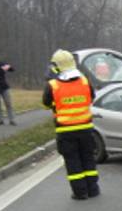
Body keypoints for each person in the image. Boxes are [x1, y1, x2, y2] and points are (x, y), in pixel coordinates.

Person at [43, 49, 100, 200]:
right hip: (86, 128)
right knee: (88, 158)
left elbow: (46, 104)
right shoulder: (85, 81)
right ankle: (93, 189)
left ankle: (80, 192)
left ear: (56, 66)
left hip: (66, 131)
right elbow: (91, 98)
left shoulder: (53, 85)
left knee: (73, 161)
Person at [0, 53, 16, 126]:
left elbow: (12, 69)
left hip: (4, 88)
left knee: (8, 104)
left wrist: (9, 67)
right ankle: (0, 120)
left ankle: (11, 120)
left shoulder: (1, 64)